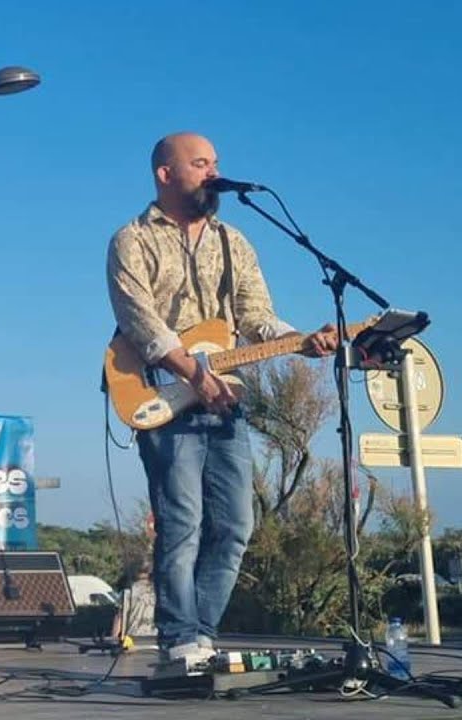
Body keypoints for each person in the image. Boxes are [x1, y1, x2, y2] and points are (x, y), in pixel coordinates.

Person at [105, 132, 337, 669]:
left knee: (235, 525)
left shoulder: (233, 240)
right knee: (181, 521)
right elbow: (141, 323)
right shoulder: (132, 240)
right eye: (200, 163)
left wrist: (301, 339)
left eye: (215, 163)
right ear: (166, 173)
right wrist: (193, 372)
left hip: (226, 397)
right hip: (164, 394)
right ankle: (178, 635)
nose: (213, 172)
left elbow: (256, 316)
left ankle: (198, 635)